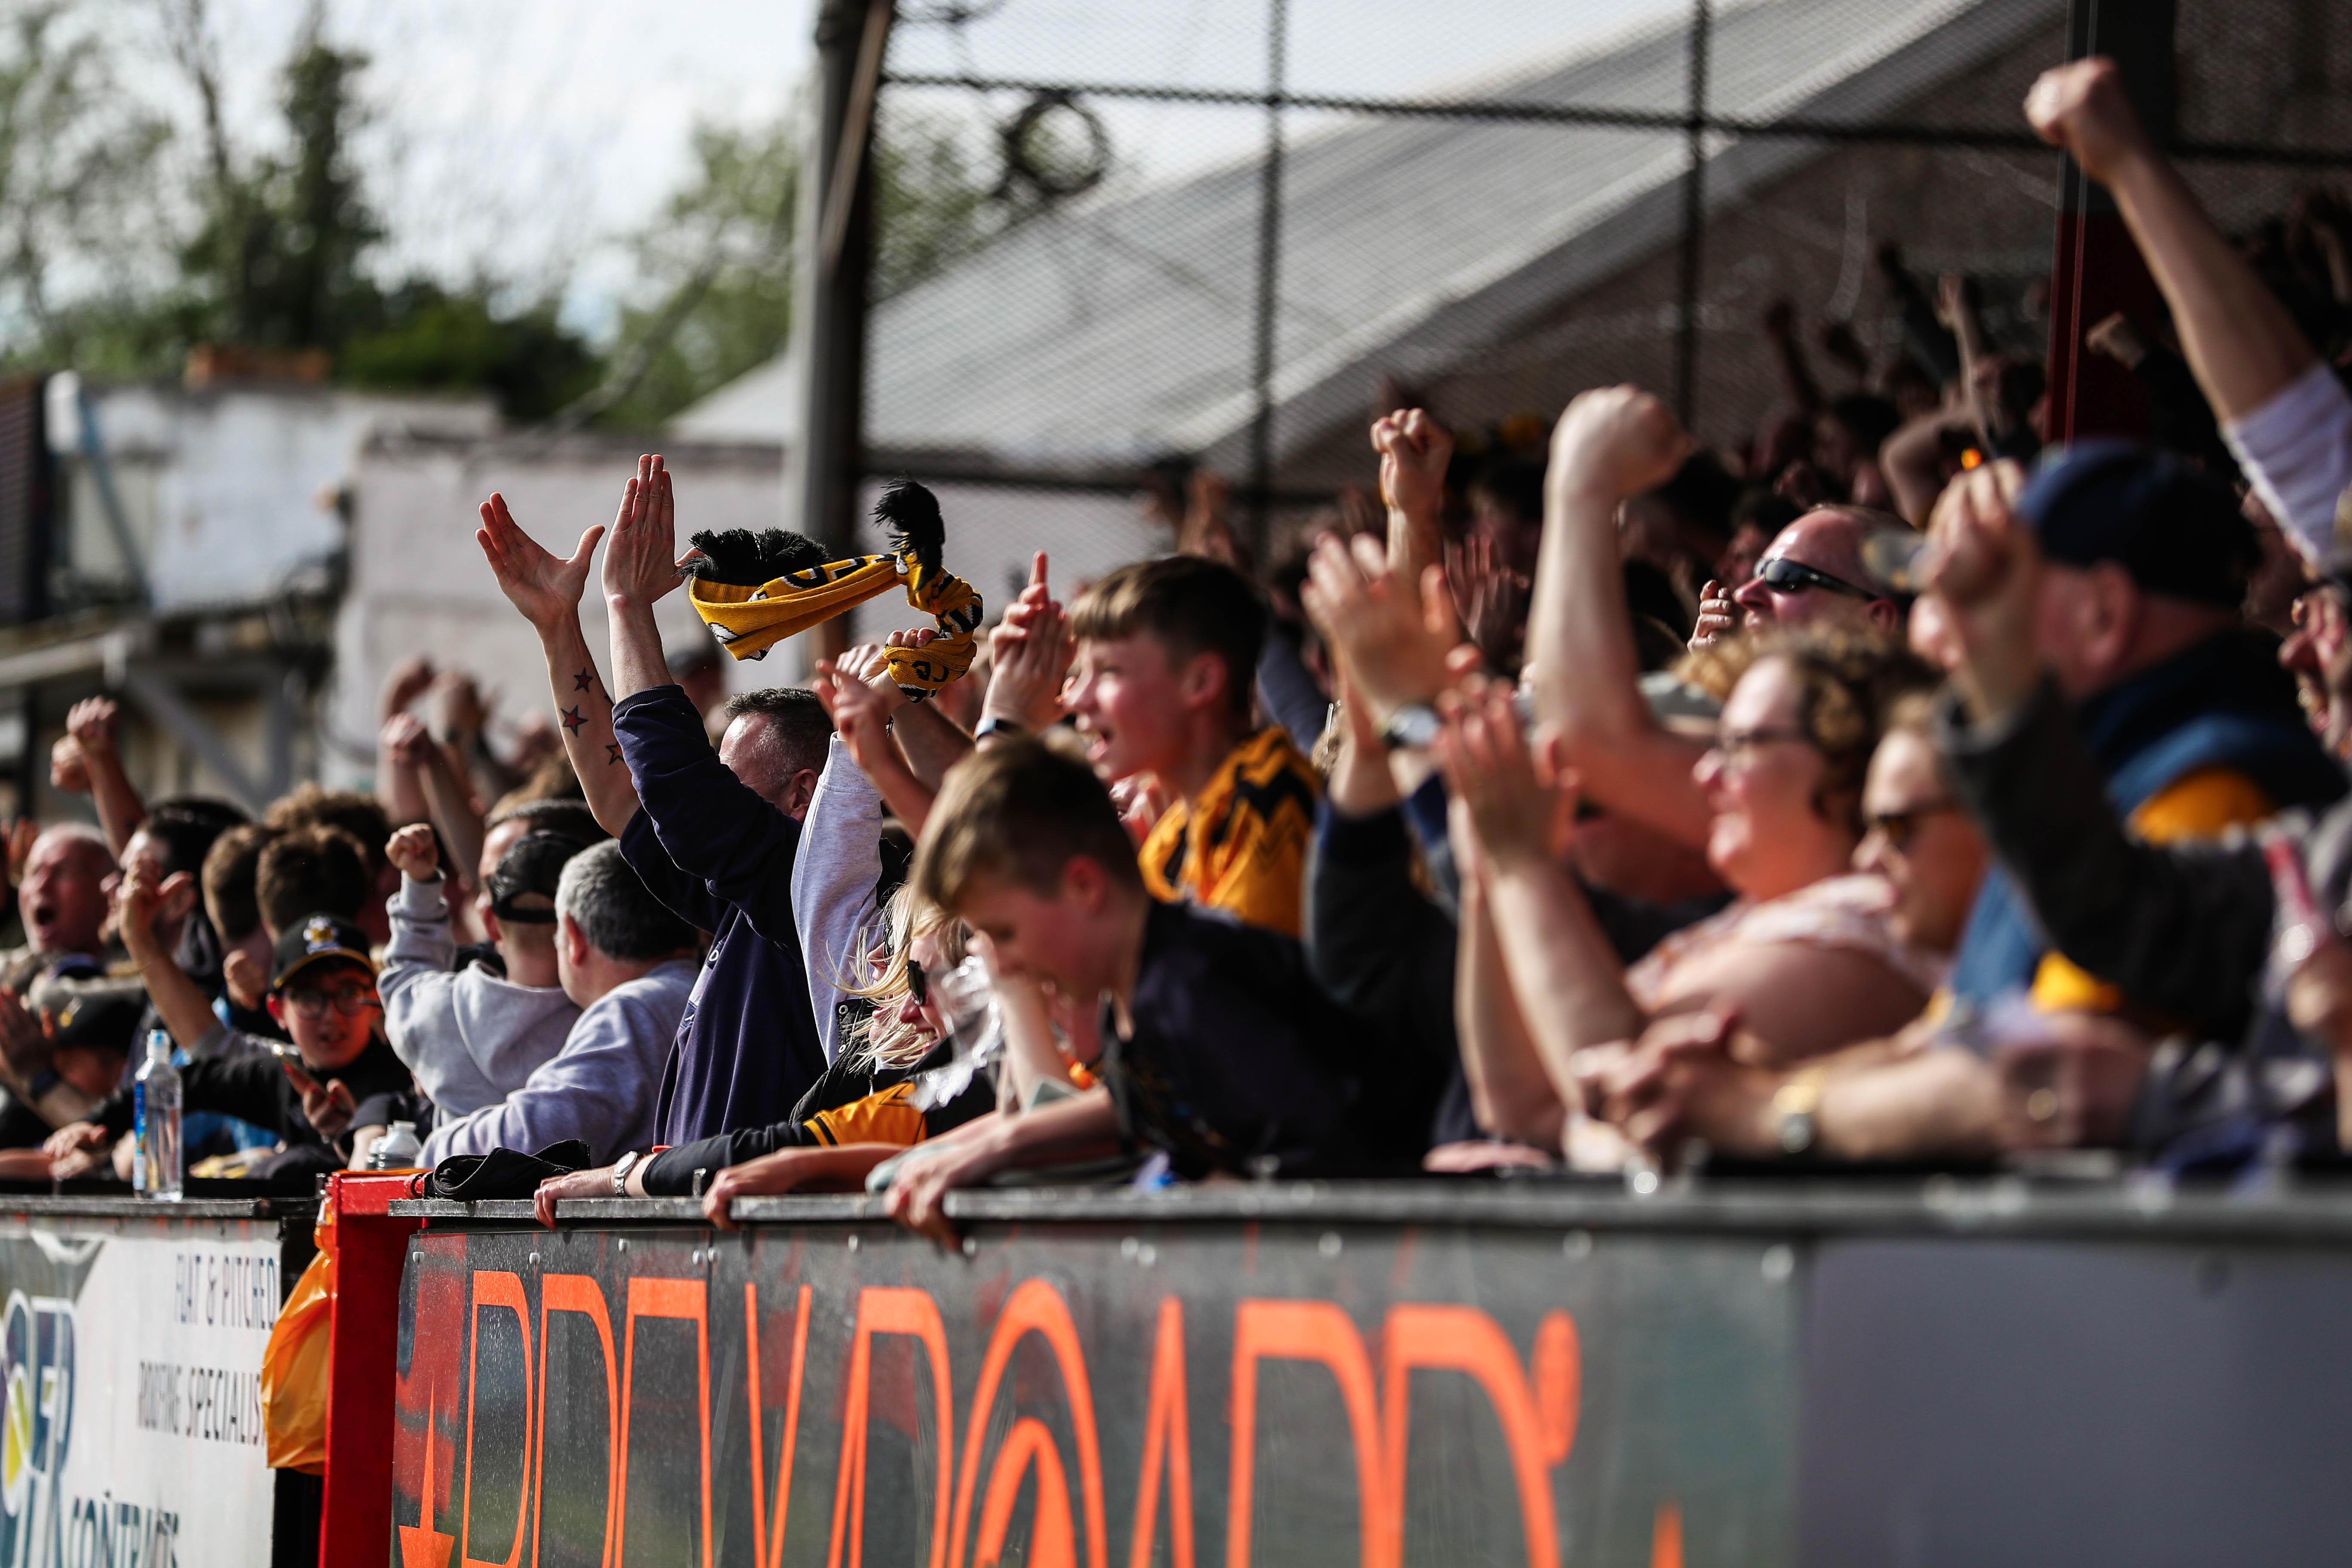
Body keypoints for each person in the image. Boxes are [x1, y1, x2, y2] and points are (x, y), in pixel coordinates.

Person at [880, 737, 1439, 1247]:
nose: (999, 964)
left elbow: (1327, 1164)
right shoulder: (1134, 997)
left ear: (1084, 887)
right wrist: (985, 1151)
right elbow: (1129, 1111)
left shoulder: (1194, 993)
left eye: (1003, 933)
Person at [1439, 631, 1951, 1154]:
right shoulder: (1753, 920)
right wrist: (1489, 873)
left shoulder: (1866, 925)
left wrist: (1525, 865)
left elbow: (1629, 1094)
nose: (1707, 775)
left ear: (1848, 769)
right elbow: (1521, 1101)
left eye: (1740, 746)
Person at [478, 454, 833, 1143]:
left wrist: (628, 608)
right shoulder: (743, 903)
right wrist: (559, 628)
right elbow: (623, 800)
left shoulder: (818, 889)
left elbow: (675, 789)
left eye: (729, 782)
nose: (704, 798)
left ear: (803, 795)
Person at [986, 553, 1321, 936]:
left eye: (1109, 671)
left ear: (1200, 682)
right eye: (1081, 673)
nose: (1075, 697)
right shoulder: (1176, 831)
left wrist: (1005, 722)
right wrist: (1009, 721)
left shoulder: (1273, 799)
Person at [359, 842, 697, 1167]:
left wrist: (430, 1149)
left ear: (573, 939)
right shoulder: (698, 989)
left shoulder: (633, 1011)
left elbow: (536, 1133)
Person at [48, 914, 412, 1183]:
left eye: (348, 993)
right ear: (277, 1011)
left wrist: (342, 1141)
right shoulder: (280, 1073)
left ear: (375, 997)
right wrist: (96, 1124)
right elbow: (186, 1080)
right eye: (310, 998)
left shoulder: (406, 1074)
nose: (332, 1016)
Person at [378, 825, 582, 1117]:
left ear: (489, 921)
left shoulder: (440, 1010)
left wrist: (419, 885)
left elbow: (407, 971)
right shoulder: (607, 1023)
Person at [1, 824, 112, 989]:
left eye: (65, 872)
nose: (41, 886)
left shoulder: (139, 980)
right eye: (33, 872)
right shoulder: (5, 972)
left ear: (109, 892)